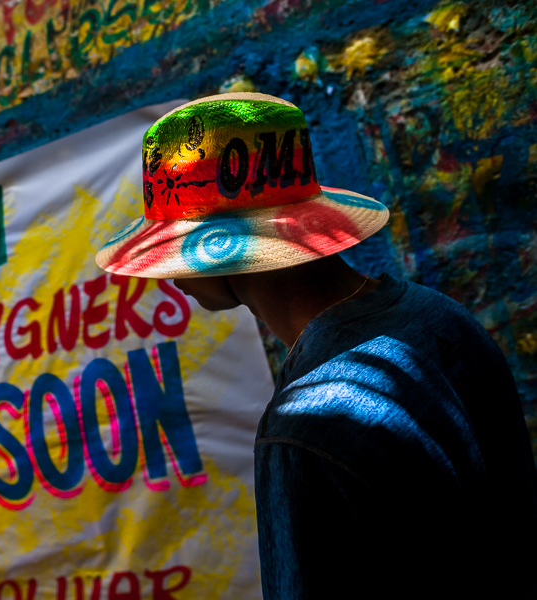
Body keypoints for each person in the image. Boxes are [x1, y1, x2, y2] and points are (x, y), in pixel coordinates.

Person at [95, 92, 537, 598]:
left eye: (174, 244)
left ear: (223, 247)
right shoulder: (439, 317)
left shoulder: (304, 427)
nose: (167, 275)